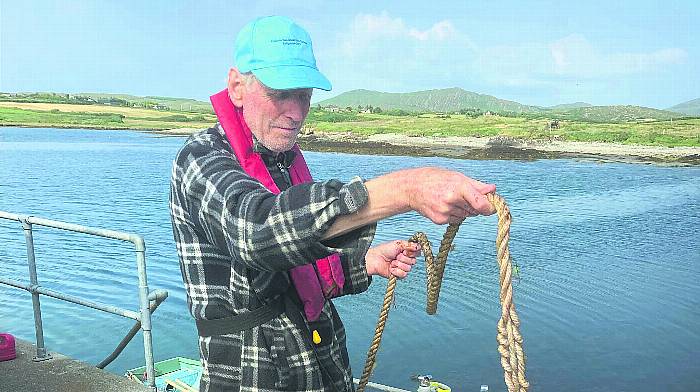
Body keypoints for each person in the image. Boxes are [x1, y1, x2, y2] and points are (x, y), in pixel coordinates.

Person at [169, 16, 496, 392]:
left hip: (322, 365)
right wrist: (405, 189)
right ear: (237, 87)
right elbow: (257, 231)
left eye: (304, 94)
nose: (295, 112)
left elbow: (295, 265)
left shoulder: (281, 160)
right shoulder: (199, 159)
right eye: (280, 93)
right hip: (252, 378)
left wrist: (364, 262)